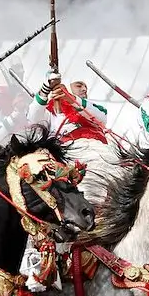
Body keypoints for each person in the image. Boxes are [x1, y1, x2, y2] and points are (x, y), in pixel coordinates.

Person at [27, 71, 117, 204]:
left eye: (85, 87)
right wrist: (46, 87)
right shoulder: (51, 112)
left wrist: (72, 100)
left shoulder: (90, 106)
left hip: (100, 153)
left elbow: (101, 117)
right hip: (71, 157)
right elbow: (32, 118)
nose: (84, 89)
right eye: (79, 85)